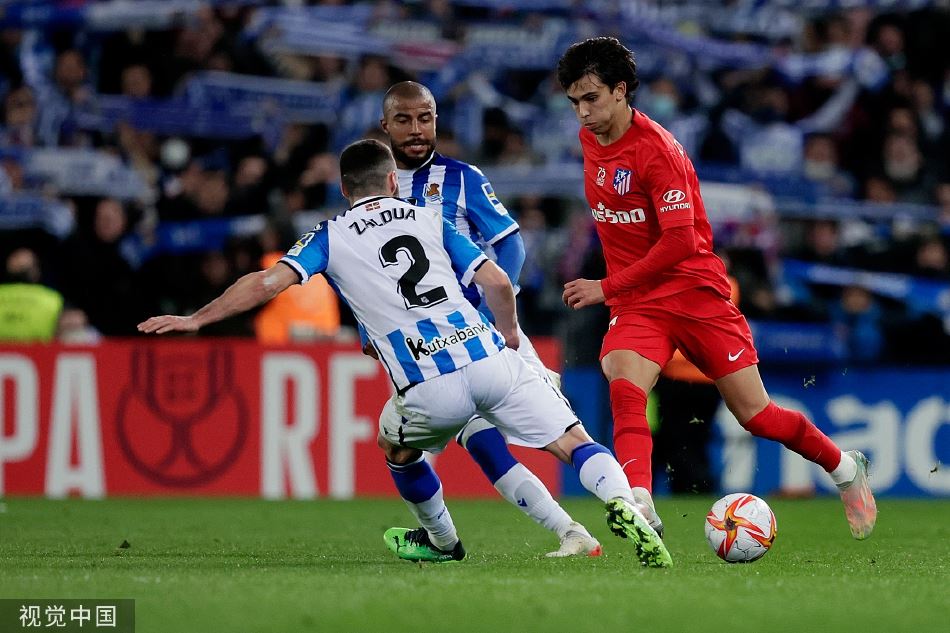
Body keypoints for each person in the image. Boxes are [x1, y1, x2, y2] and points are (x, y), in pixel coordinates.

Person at [138, 139, 672, 567]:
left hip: (426, 383)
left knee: (396, 448)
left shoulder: (330, 234)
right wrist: (508, 335)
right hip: (488, 356)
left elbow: (266, 283)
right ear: (393, 181)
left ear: (344, 189)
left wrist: (197, 318)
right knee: (573, 442)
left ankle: (442, 541)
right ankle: (624, 507)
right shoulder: (426, 218)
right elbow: (496, 281)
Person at [556, 37, 876, 540]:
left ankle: (843, 467)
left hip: (693, 291)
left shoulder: (656, 151)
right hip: (640, 302)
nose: (582, 112)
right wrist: (619, 290)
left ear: (621, 91)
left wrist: (606, 285)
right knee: (623, 382)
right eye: (574, 101)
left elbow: (682, 241)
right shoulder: (590, 137)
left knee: (758, 416)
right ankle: (639, 501)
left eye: (591, 98)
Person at [378, 81, 599, 557]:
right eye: (404, 120)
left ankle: (633, 508)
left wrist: (494, 312)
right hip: (425, 350)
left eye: (425, 119)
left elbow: (510, 244)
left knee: (560, 436)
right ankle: (574, 532)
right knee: (483, 444)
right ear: (385, 126)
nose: (417, 130)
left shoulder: (460, 178)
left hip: (481, 337)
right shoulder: (374, 192)